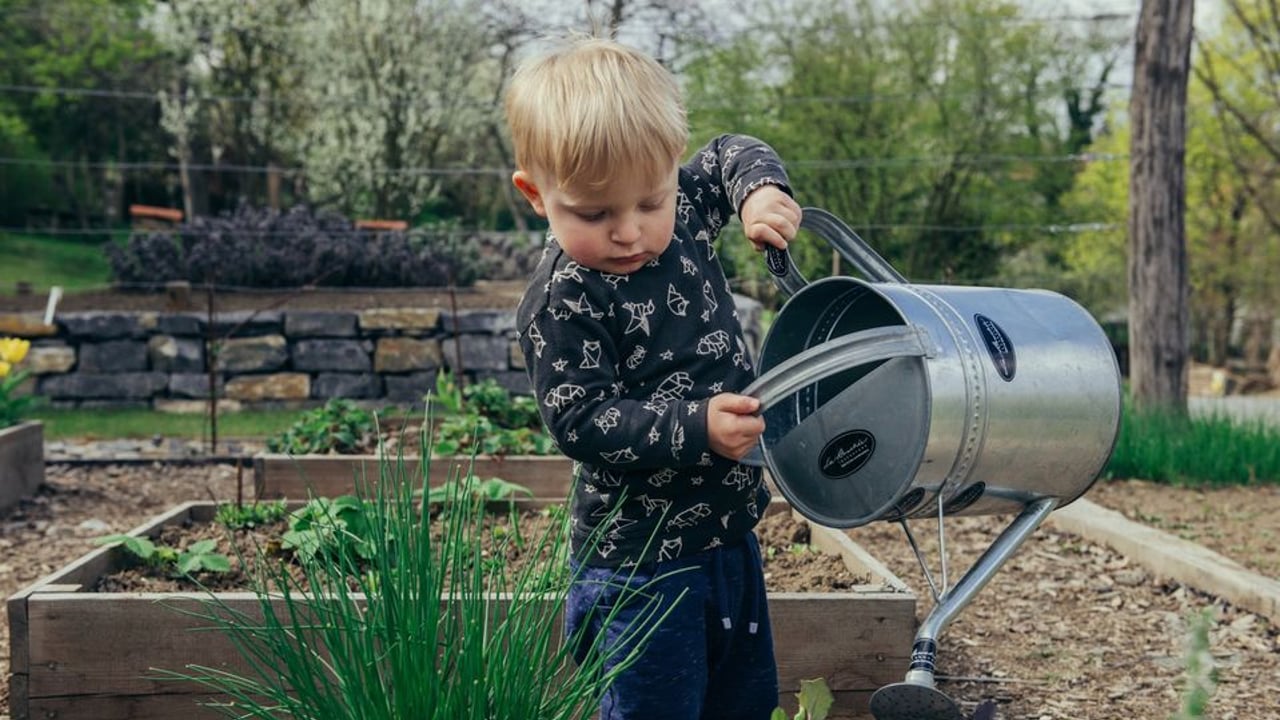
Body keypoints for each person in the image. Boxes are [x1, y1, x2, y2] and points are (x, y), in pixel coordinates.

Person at [506, 34, 802, 720]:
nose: (629, 231)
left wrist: (759, 194)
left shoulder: (687, 206)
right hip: (639, 565)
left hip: (731, 534)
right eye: (594, 213)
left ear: (671, 170)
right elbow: (580, 418)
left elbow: (730, 153)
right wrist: (696, 427)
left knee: (743, 701)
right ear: (535, 194)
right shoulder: (564, 300)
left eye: (650, 201)